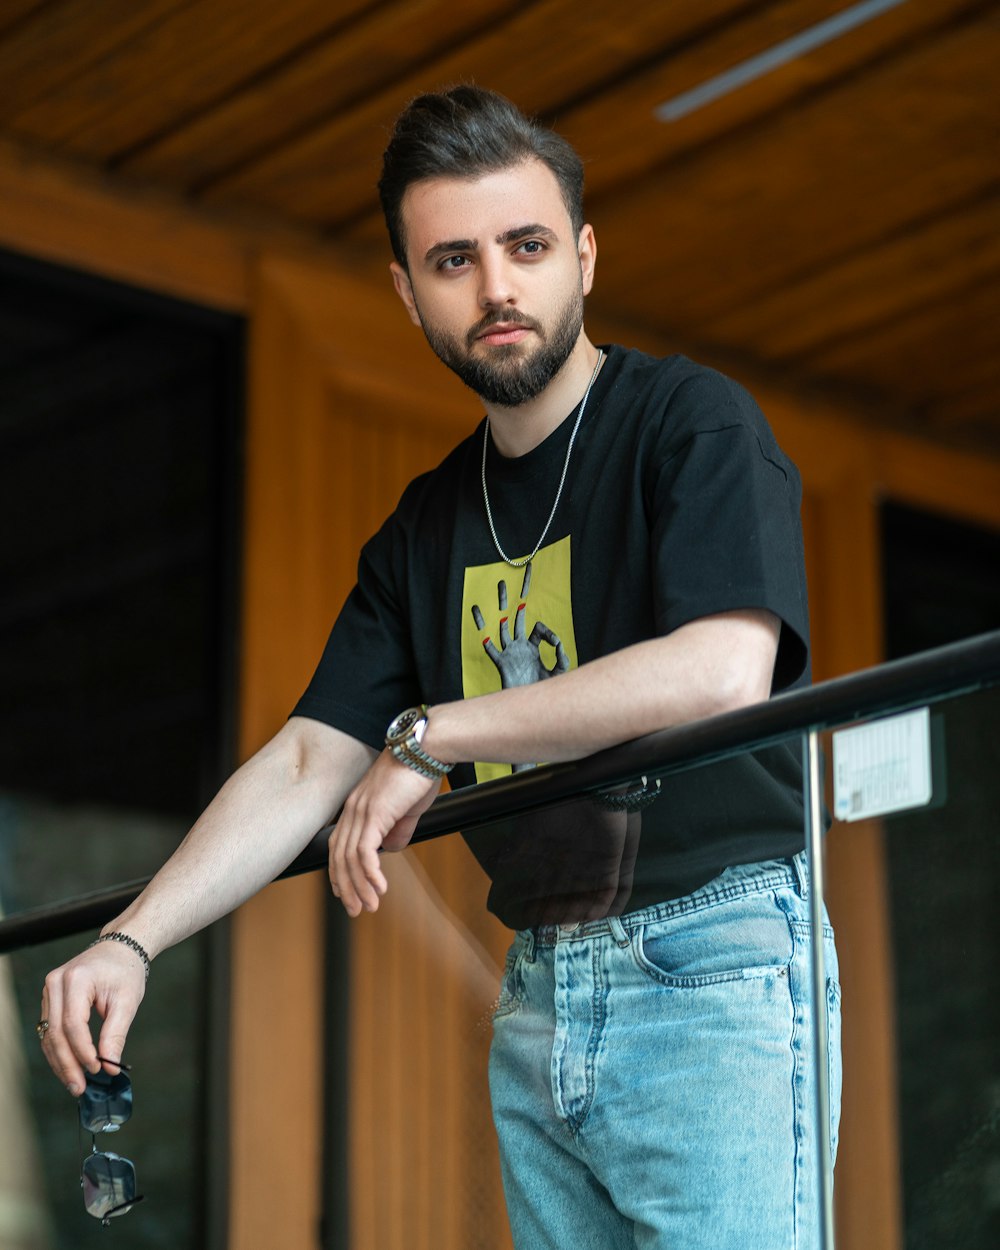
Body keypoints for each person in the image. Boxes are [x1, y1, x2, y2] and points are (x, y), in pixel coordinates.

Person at [40, 86, 840, 1248]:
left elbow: (723, 667)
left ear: (583, 253)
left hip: (713, 953)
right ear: (409, 296)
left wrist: (433, 736)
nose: (497, 287)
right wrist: (132, 936)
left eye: (525, 246)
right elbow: (314, 752)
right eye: (453, 260)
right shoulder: (423, 530)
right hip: (540, 984)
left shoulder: (688, 420)